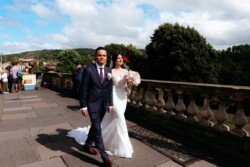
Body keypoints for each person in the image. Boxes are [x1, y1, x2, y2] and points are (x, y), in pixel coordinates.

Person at [68, 52, 134, 159]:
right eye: (118, 58)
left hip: (122, 98)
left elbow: (127, 88)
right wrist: (84, 105)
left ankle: (89, 143)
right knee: (119, 117)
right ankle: (105, 154)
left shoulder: (126, 71)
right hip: (112, 97)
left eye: (122, 58)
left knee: (104, 123)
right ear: (114, 60)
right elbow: (98, 87)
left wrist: (131, 83)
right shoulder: (109, 71)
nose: (121, 60)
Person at [78, 47, 113, 167]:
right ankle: (104, 156)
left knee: (95, 126)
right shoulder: (88, 70)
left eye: (104, 55)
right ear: (95, 57)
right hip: (92, 104)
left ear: (106, 57)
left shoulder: (109, 70)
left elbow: (109, 89)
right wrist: (83, 106)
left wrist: (110, 103)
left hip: (104, 105)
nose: (102, 57)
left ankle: (87, 145)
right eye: (99, 55)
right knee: (98, 129)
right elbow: (83, 90)